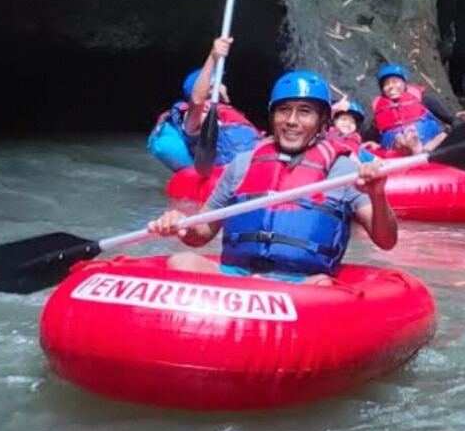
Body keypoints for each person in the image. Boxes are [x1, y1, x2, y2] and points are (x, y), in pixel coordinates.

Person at [148, 70, 397, 286]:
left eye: (304, 112)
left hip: (303, 285)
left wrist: (377, 195)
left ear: (322, 120)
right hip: (236, 277)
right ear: (272, 115)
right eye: (283, 110)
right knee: (182, 261)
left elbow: (386, 241)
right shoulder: (241, 165)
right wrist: (181, 223)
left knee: (321, 284)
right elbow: (201, 234)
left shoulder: (343, 171)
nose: (291, 121)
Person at [146, 36, 262, 171]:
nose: (223, 84)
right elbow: (197, 100)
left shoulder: (224, 113)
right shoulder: (201, 117)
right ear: (211, 88)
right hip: (233, 175)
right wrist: (213, 57)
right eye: (218, 82)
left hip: (254, 165)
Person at [371, 63, 457, 152]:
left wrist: (454, 121)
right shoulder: (379, 106)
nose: (391, 86)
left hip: (427, 138)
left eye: (395, 82)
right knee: (400, 139)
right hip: (399, 144)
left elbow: (444, 114)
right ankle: (420, 152)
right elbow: (374, 132)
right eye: (386, 84)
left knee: (419, 136)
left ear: (404, 83)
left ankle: (424, 150)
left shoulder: (420, 98)